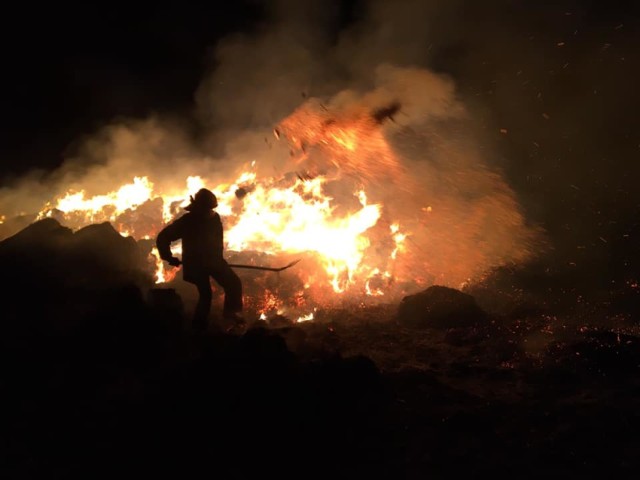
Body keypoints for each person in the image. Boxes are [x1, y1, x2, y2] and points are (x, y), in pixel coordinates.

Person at [156, 188, 244, 331]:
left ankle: (230, 316)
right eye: (207, 208)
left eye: (211, 208)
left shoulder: (214, 218)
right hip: (196, 265)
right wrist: (168, 256)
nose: (210, 211)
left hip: (215, 262)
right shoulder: (188, 221)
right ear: (199, 207)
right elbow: (163, 237)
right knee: (206, 295)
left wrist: (218, 260)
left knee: (233, 283)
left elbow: (217, 242)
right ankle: (198, 327)